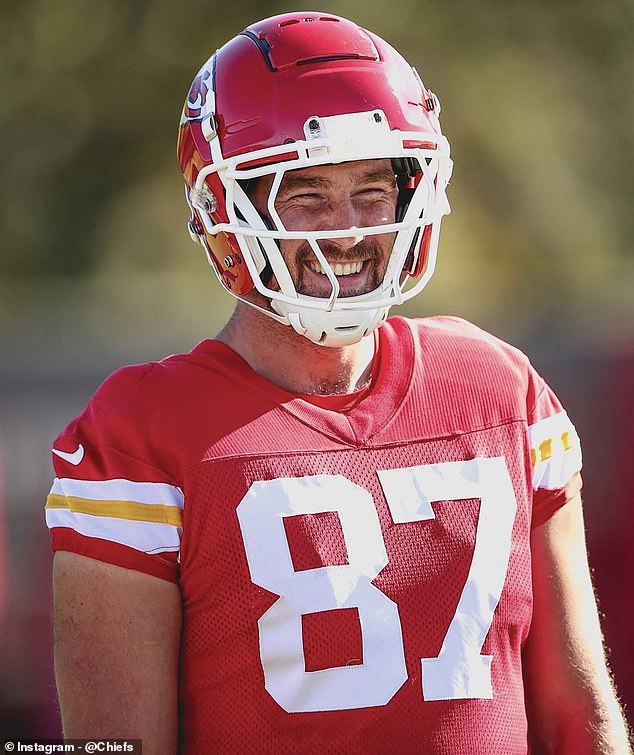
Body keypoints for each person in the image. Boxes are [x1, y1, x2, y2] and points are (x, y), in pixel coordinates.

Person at [46, 11, 632, 754]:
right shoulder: (138, 436)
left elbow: (580, 716)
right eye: (308, 195)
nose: (350, 230)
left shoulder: (501, 391)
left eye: (372, 189)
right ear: (226, 212)